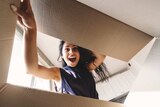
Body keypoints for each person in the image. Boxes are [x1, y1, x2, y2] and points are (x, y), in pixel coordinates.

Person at [10, 0, 105, 99]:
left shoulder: (86, 69)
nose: (71, 52)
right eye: (67, 49)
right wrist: (30, 29)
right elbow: (31, 69)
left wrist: (80, 35)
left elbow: (101, 55)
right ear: (62, 55)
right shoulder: (58, 73)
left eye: (75, 48)